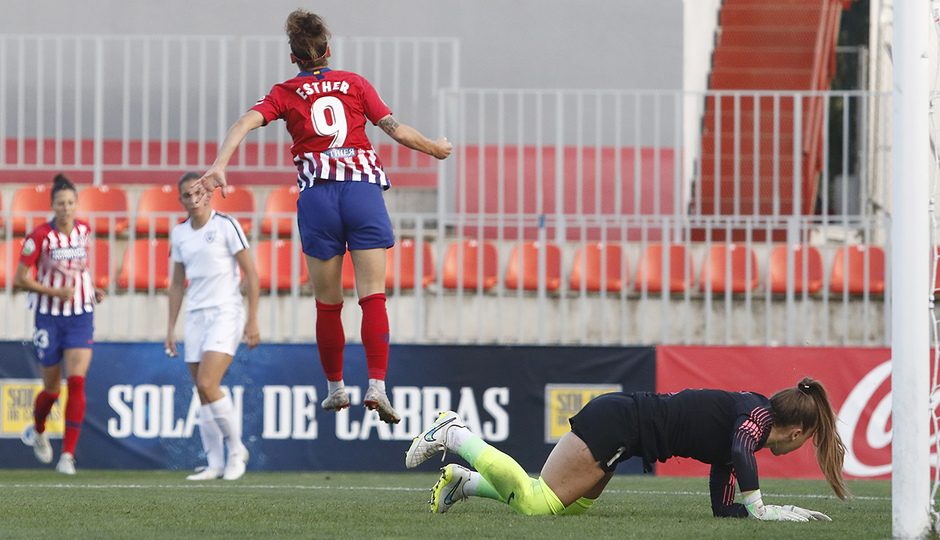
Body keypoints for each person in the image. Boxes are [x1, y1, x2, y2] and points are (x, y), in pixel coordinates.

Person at [190, 9, 452, 425]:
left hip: (318, 199)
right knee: (373, 295)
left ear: (293, 57)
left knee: (328, 303)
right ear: (328, 51)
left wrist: (220, 165)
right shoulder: (354, 83)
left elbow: (244, 122)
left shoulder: (284, 91)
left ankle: (335, 388)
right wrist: (435, 149)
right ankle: (377, 386)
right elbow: (395, 129)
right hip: (362, 192)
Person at [407, 377, 848, 520]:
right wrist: (761, 508)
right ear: (796, 433)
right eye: (808, 439)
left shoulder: (751, 419)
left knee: (571, 510)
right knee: (539, 505)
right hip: (618, 424)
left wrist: (750, 512)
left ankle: (465, 484)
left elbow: (723, 499)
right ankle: (455, 434)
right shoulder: (757, 418)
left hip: (626, 429)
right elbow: (740, 448)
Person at [165, 172, 261, 481]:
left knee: (208, 383)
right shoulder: (179, 233)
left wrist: (253, 318)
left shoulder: (226, 225)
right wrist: (170, 328)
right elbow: (177, 283)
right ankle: (214, 463)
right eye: (186, 195)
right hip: (195, 316)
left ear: (207, 194)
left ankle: (237, 450)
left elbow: (251, 274)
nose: (193, 200)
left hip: (225, 312)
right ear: (180, 200)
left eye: (198, 193)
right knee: (202, 391)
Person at [17, 174, 106, 475]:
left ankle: (67, 455)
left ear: (77, 204)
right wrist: (54, 292)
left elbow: (81, 269)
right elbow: (20, 279)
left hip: (80, 315)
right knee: (52, 390)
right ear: (52, 206)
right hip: (49, 317)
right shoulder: (39, 236)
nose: (66, 208)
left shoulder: (84, 231)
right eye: (60, 203)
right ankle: (39, 429)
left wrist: (91, 289)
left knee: (77, 381)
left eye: (70, 203)